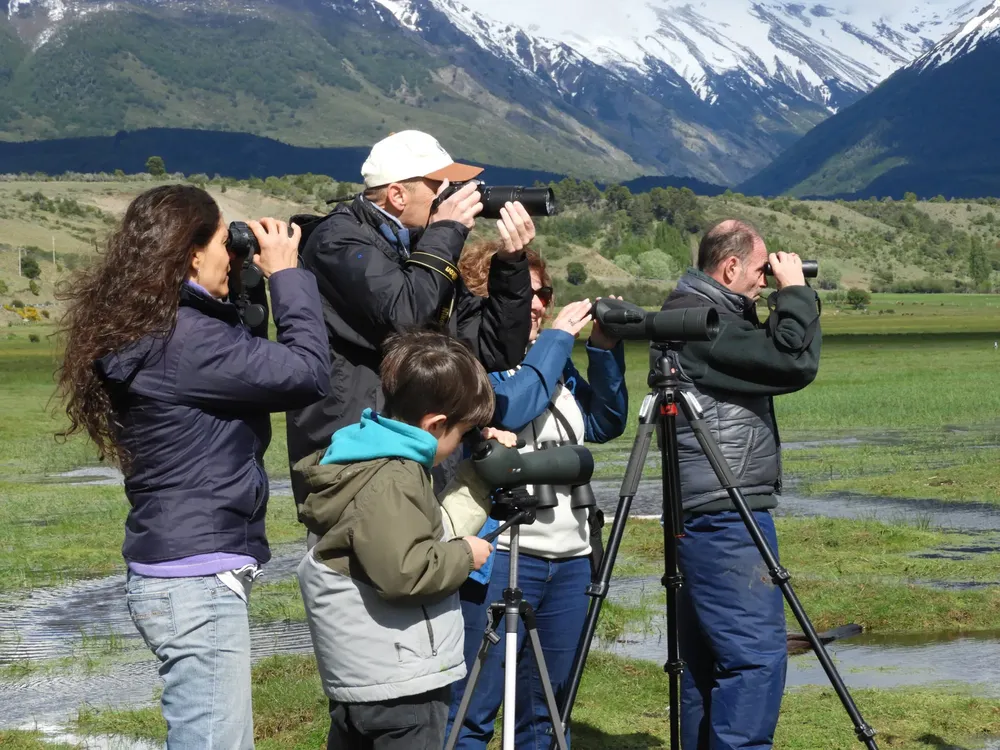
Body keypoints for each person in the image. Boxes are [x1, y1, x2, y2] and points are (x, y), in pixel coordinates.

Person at [56, 185, 330, 750]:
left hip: (180, 568)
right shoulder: (186, 341)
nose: (232, 254)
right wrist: (287, 276)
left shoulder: (161, 330)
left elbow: (248, 372)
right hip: (196, 579)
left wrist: (246, 285)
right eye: (223, 243)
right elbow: (306, 374)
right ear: (191, 253)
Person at [286, 129, 535, 505]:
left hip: (424, 458)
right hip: (358, 463)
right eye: (441, 186)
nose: (452, 195)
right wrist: (446, 231)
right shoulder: (336, 241)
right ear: (397, 194)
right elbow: (405, 320)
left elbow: (494, 347)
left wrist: (511, 265)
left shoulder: (422, 247)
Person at [446, 243, 629, 749]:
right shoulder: (475, 363)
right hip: (502, 553)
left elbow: (604, 421)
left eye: (543, 293)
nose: (537, 304)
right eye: (525, 293)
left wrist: (604, 348)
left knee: (548, 712)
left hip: (569, 559)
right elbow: (510, 406)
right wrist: (555, 340)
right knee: (471, 711)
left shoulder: (553, 365)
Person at [294, 330, 502, 750]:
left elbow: (408, 538)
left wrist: (474, 480)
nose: (461, 443)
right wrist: (466, 554)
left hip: (363, 675)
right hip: (402, 683)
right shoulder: (394, 475)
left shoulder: (361, 454)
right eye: (462, 433)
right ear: (436, 424)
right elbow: (405, 572)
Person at [660, 219, 821, 750]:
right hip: (723, 512)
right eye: (760, 269)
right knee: (755, 657)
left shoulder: (707, 315)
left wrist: (770, 297)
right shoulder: (698, 322)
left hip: (710, 508)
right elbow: (792, 360)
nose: (764, 279)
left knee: (708, 663)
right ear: (730, 267)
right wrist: (795, 292)